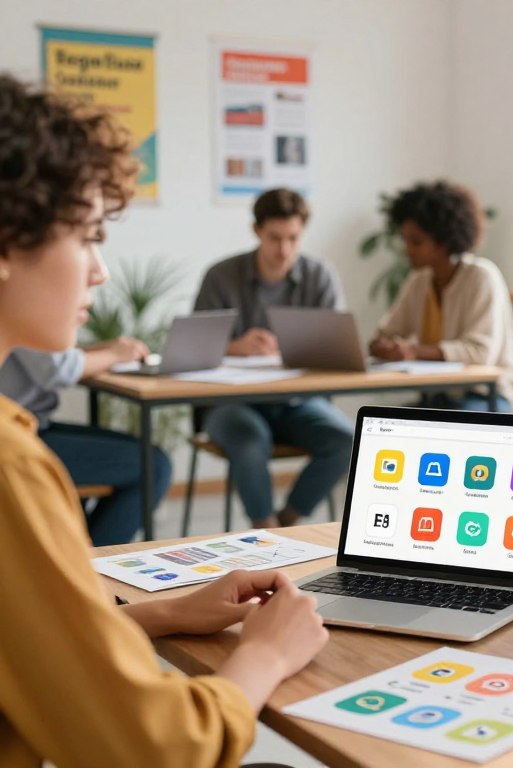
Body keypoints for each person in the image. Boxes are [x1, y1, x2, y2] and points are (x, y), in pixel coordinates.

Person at [0, 73, 328, 767]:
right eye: (88, 237)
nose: (100, 272)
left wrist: (157, 612)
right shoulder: (11, 467)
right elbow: (159, 749)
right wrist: (266, 655)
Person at [194, 187, 354, 528]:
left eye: (294, 238)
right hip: (231, 403)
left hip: (297, 401)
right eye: (275, 238)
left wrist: (296, 350)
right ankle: (265, 532)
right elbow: (193, 349)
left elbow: (335, 349)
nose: (284, 250)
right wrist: (233, 346)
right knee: (250, 443)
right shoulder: (220, 276)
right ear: (257, 232)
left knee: (346, 441)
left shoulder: (319, 276)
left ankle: (286, 523)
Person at [0, 341, 173, 545]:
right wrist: (114, 354)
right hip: (21, 435)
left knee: (147, 454)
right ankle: (94, 565)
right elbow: (58, 369)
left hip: (34, 424)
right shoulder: (18, 314)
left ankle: (82, 554)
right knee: (153, 465)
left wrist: (105, 350)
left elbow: (55, 358)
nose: (87, 308)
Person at [369, 181, 513, 412]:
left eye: (416, 241)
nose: (406, 248)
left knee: (436, 425)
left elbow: (480, 354)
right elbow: (386, 333)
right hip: (437, 400)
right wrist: (384, 346)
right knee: (378, 425)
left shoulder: (481, 277)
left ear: (445, 241)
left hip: (486, 398)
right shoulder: (419, 281)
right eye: (405, 239)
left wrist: (413, 351)